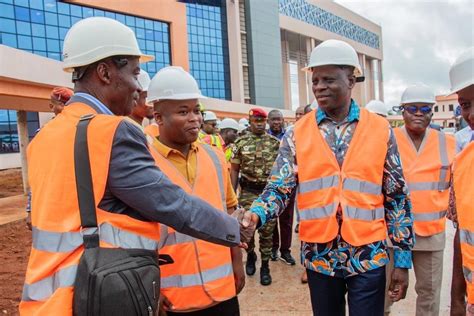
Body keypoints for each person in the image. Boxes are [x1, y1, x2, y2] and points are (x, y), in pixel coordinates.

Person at [19, 17, 253, 315]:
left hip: (49, 300)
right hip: (97, 297)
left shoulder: (44, 138)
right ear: (104, 72)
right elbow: (172, 203)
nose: (137, 86)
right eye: (134, 72)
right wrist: (234, 229)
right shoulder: (111, 131)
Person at [248, 39, 414, 315]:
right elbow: (279, 187)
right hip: (319, 255)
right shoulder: (296, 133)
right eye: (315, 80)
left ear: (351, 80)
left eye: (328, 79)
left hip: (368, 255)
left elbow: (396, 196)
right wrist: (256, 214)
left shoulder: (380, 129)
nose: (319, 87)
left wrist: (403, 259)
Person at [146, 66, 244, 315]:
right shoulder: (143, 164)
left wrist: (236, 261)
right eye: (183, 112)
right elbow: (134, 235)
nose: (195, 119)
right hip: (174, 297)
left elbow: (229, 214)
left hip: (221, 291)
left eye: (196, 111)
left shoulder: (215, 156)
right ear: (158, 117)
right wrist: (150, 287)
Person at [386, 83, 455, 316]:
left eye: (424, 109)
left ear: (432, 112)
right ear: (402, 111)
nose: (418, 113)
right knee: (386, 293)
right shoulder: (388, 141)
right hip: (392, 235)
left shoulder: (448, 143)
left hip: (431, 235)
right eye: (412, 108)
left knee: (429, 294)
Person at [231, 108, 280, 286]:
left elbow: (279, 170)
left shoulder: (275, 143)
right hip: (247, 192)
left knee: (267, 230)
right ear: (250, 120)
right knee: (247, 229)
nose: (259, 124)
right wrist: (232, 195)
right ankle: (251, 255)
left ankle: (265, 266)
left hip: (266, 192)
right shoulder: (240, 142)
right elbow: (234, 170)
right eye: (256, 121)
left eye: (262, 121)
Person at [447, 47, 474, 316]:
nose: (472, 113)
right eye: (465, 104)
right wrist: (457, 298)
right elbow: (462, 232)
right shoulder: (464, 161)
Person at [25, 86, 74, 230]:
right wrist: (31, 209)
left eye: (68, 104)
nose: (65, 108)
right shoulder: (42, 134)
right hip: (50, 202)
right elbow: (36, 173)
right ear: (51, 106)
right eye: (61, 104)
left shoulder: (82, 130)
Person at [266, 109, 296, 265]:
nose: (276, 122)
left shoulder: (290, 136)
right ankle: (273, 248)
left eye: (279, 119)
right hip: (271, 184)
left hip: (289, 183)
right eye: (273, 119)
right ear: (268, 121)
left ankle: (286, 250)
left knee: (287, 219)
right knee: (272, 217)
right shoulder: (264, 138)